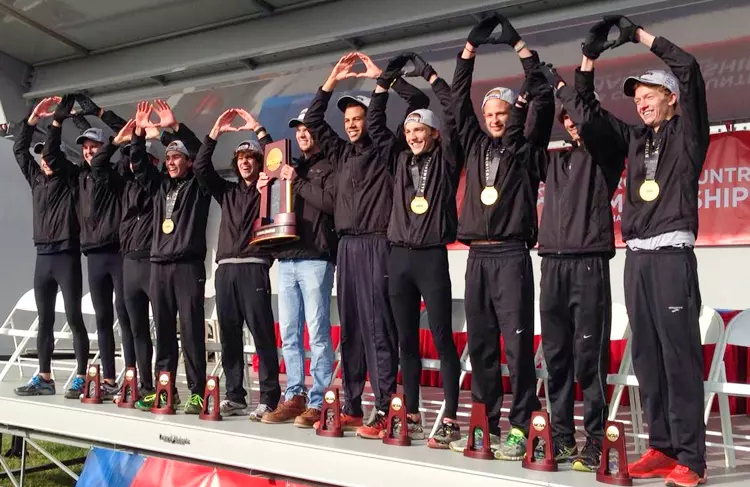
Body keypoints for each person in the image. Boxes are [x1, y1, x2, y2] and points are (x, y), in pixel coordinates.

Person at [569, 15, 709, 487]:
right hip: (637, 258)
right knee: (647, 356)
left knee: (678, 356)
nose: (641, 100)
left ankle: (692, 458)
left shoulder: (688, 136)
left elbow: (688, 67)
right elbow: (586, 113)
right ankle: (662, 446)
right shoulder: (634, 140)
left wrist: (640, 37)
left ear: (671, 99)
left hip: (671, 256)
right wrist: (588, 58)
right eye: (637, 96)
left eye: (650, 93)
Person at [304, 51, 430, 439]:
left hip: (378, 244)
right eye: (349, 121)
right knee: (353, 328)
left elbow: (420, 104)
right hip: (346, 249)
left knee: (379, 327)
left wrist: (383, 77)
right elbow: (312, 120)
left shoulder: (385, 148)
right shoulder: (339, 152)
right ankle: (354, 405)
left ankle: (386, 404)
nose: (354, 125)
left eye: (358, 118)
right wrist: (332, 80)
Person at [449, 14, 553, 460]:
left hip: (511, 255)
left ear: (513, 116)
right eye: (489, 113)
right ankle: (484, 423)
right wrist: (467, 53)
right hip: (477, 258)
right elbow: (457, 103)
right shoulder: (473, 146)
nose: (493, 119)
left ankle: (521, 426)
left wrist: (519, 47)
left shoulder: (526, 148)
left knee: (516, 346)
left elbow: (543, 95)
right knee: (483, 345)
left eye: (501, 114)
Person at [532, 29, 626, 469]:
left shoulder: (606, 155)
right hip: (551, 265)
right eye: (565, 121)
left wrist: (569, 87)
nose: (571, 124)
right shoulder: (554, 160)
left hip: (589, 265)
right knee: (556, 359)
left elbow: (588, 119)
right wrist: (543, 94)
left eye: (575, 118)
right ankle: (562, 437)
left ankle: (594, 440)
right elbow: (528, 139)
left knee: (589, 358)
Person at [367, 52, 464, 448]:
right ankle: (410, 414)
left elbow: (454, 113)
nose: (413, 135)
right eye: (409, 131)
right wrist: (383, 82)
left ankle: (452, 417)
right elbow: (375, 124)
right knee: (406, 340)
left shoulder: (446, 159)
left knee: (442, 339)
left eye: (420, 129)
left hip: (430, 256)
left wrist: (430, 75)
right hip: (399, 256)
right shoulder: (399, 159)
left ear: (434, 134)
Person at [192, 108, 281, 421]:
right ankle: (235, 396)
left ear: (258, 163)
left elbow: (279, 161)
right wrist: (215, 130)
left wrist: (258, 128)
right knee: (229, 336)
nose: (245, 161)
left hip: (254, 266)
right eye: (240, 157)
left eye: (251, 157)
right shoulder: (227, 191)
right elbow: (201, 168)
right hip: (226, 269)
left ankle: (269, 398)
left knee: (261, 335)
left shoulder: (269, 189)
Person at [258, 107, 338, 429]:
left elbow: (332, 205)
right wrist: (267, 187)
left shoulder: (331, 165)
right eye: (298, 129)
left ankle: (318, 400)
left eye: (308, 128)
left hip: (316, 258)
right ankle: (294, 395)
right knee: (289, 334)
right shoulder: (288, 167)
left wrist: (297, 181)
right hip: (287, 258)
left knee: (317, 333)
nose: (303, 133)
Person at [130, 100, 210, 415]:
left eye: (177, 157)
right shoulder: (160, 186)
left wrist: (175, 127)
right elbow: (138, 164)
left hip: (187, 266)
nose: (171, 161)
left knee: (191, 330)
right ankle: (166, 391)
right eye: (168, 157)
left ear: (188, 162)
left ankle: (197, 393)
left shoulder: (199, 185)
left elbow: (202, 152)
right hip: (159, 266)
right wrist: (137, 134)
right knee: (163, 332)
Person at [12, 97, 90, 399]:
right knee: (44, 319)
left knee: (73, 317)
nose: (45, 160)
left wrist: (57, 122)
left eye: (49, 155)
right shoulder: (36, 180)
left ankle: (82, 375)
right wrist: (32, 120)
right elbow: (20, 149)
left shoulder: (70, 178)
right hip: (42, 257)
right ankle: (44, 377)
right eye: (42, 155)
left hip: (66, 255)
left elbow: (56, 154)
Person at [87, 118, 162, 398]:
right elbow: (97, 166)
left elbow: (144, 167)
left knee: (162, 330)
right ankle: (144, 385)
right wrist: (116, 142)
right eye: (131, 160)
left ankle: (164, 385)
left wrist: (139, 140)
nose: (134, 164)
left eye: (141, 159)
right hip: (129, 262)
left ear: (153, 162)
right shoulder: (123, 185)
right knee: (137, 329)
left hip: (153, 262)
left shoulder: (159, 186)